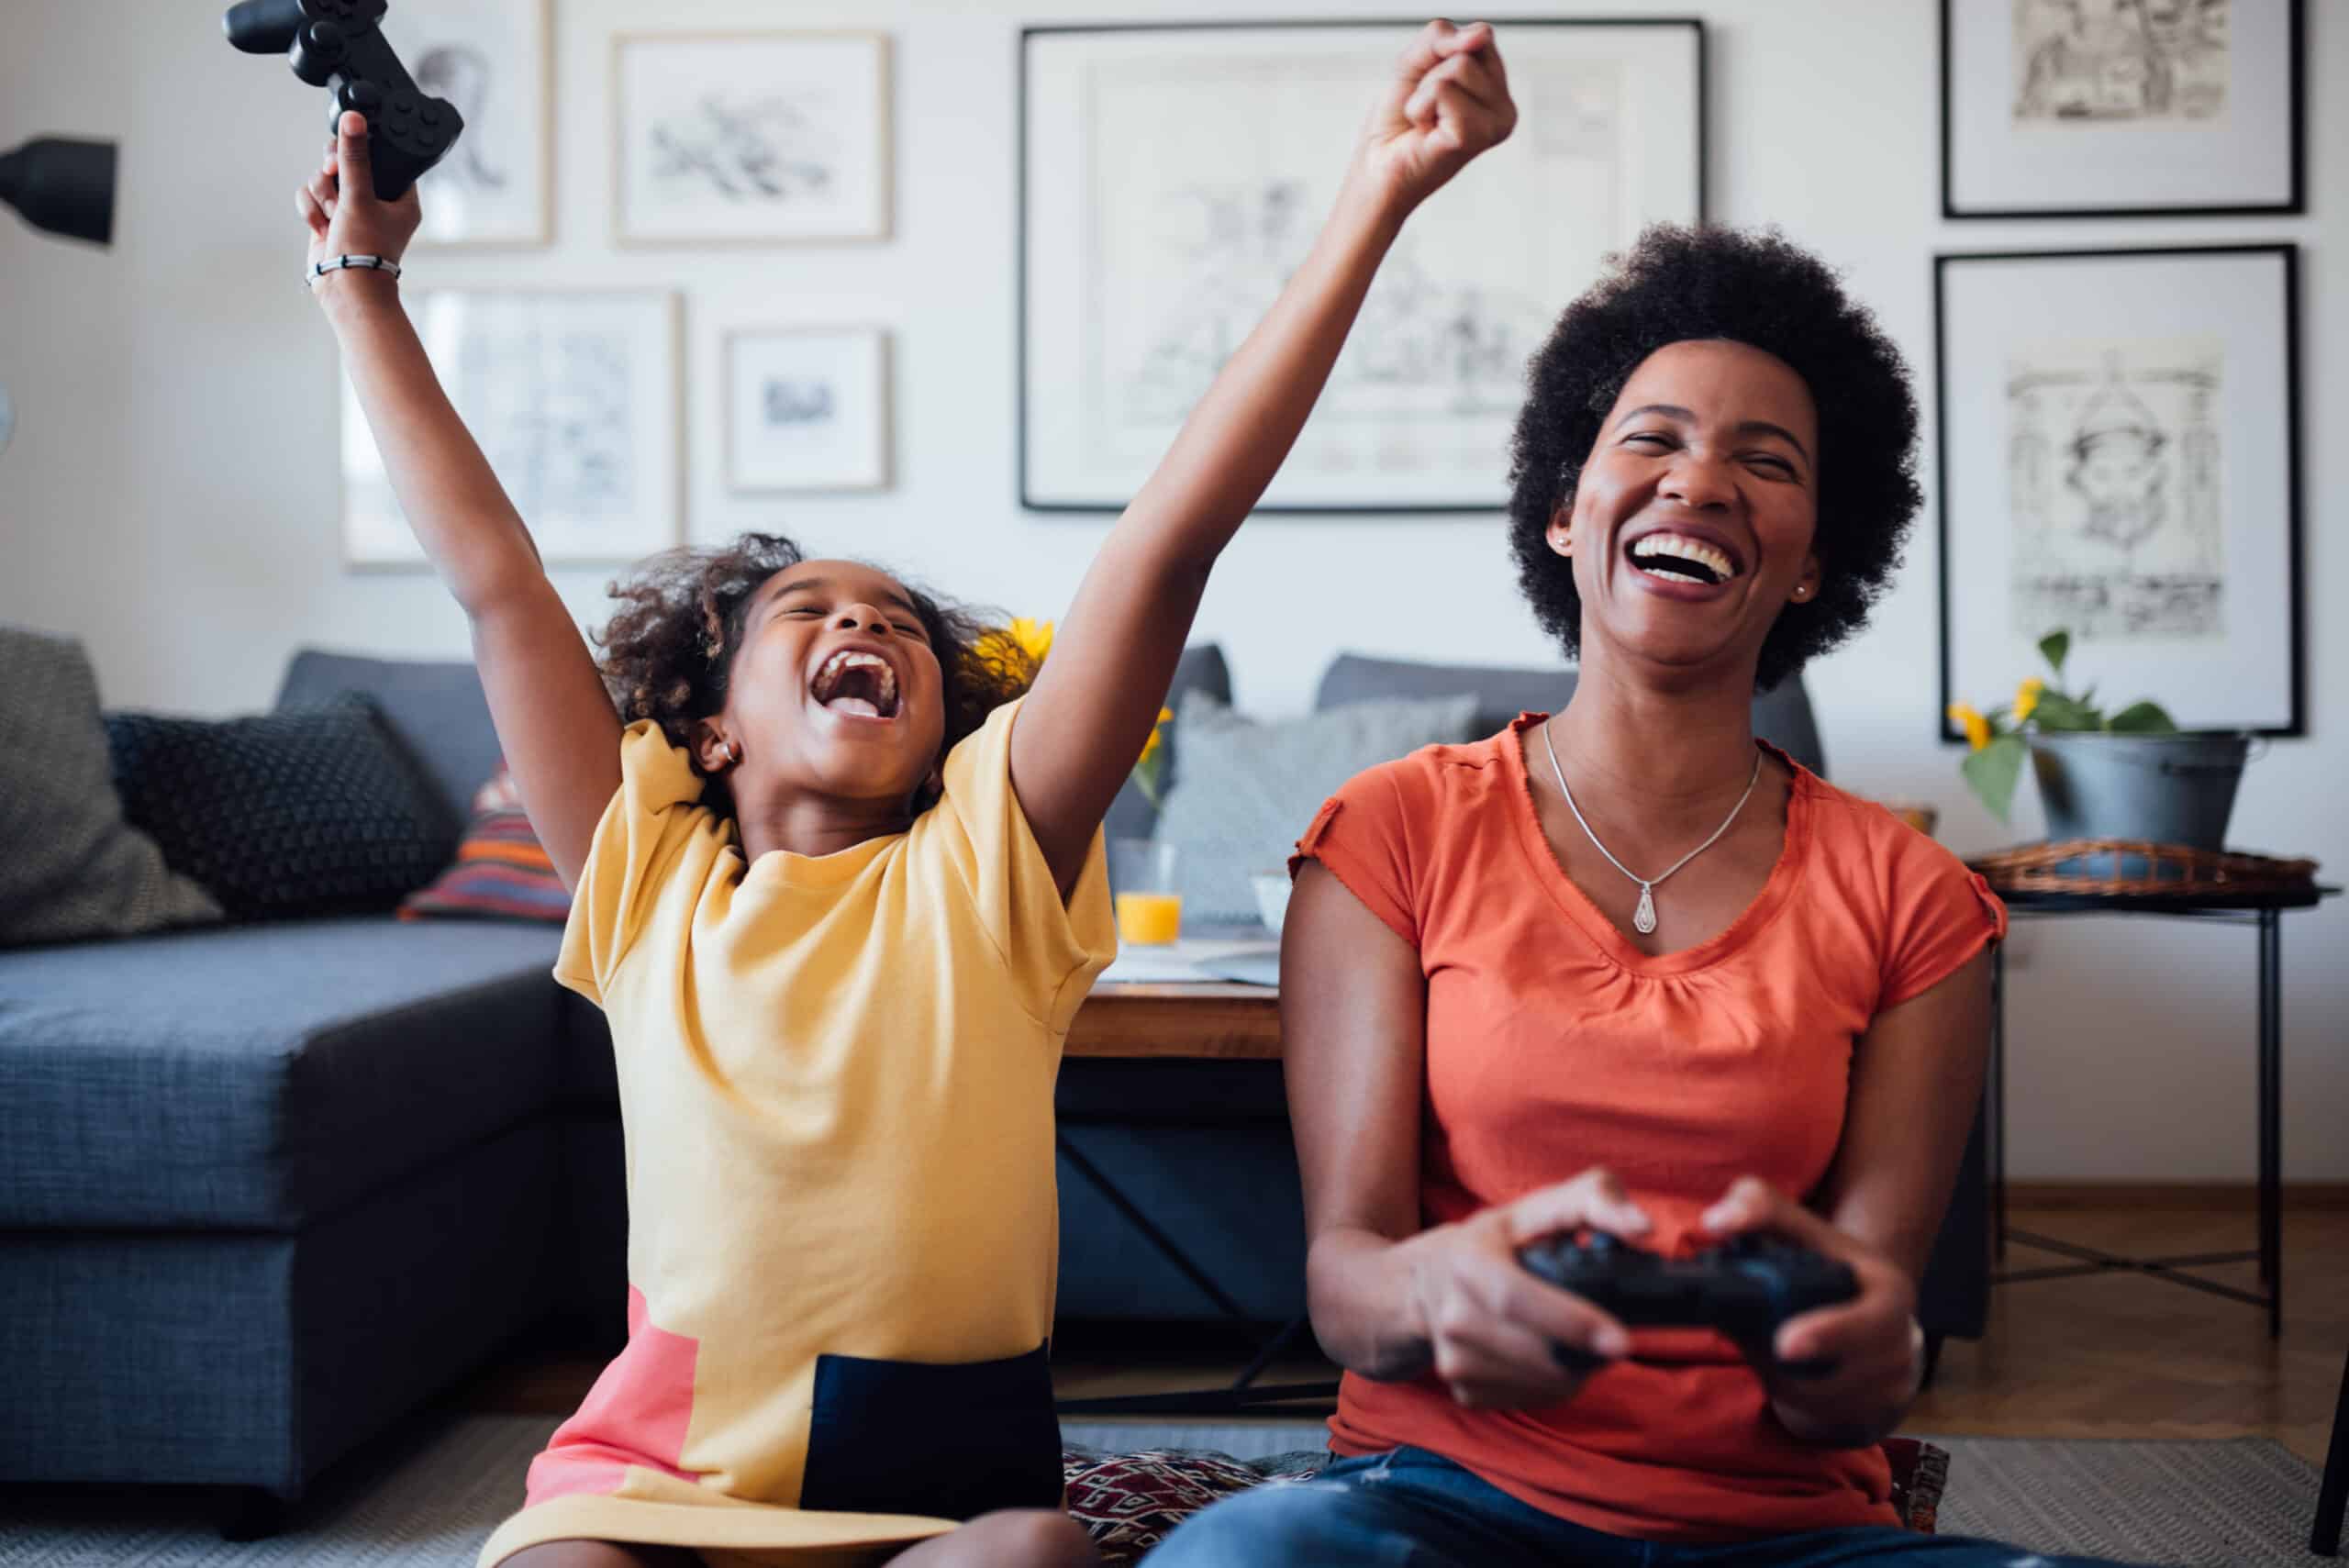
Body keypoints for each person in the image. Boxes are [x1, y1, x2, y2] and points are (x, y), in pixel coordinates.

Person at [293, 20, 1515, 1568]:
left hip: (941, 1497)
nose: (865, 624)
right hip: (658, 1476)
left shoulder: (986, 865)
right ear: (711, 729)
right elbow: (495, 583)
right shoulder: (648, 869)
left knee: (1044, 1558)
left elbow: (1168, 540)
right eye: (809, 611)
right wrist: (363, 289)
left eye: (900, 624)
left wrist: (1373, 200)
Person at [1145, 228, 2149, 1566]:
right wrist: (1438, 1290)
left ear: (1810, 562)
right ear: (1566, 510)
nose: (1703, 480)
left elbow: (1873, 1354)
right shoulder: (1391, 831)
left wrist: (1840, 1342)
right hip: (1430, 1502)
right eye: (1654, 439)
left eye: (1767, 460)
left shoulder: (1919, 900)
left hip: (1790, 1535)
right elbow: (1348, 1276)